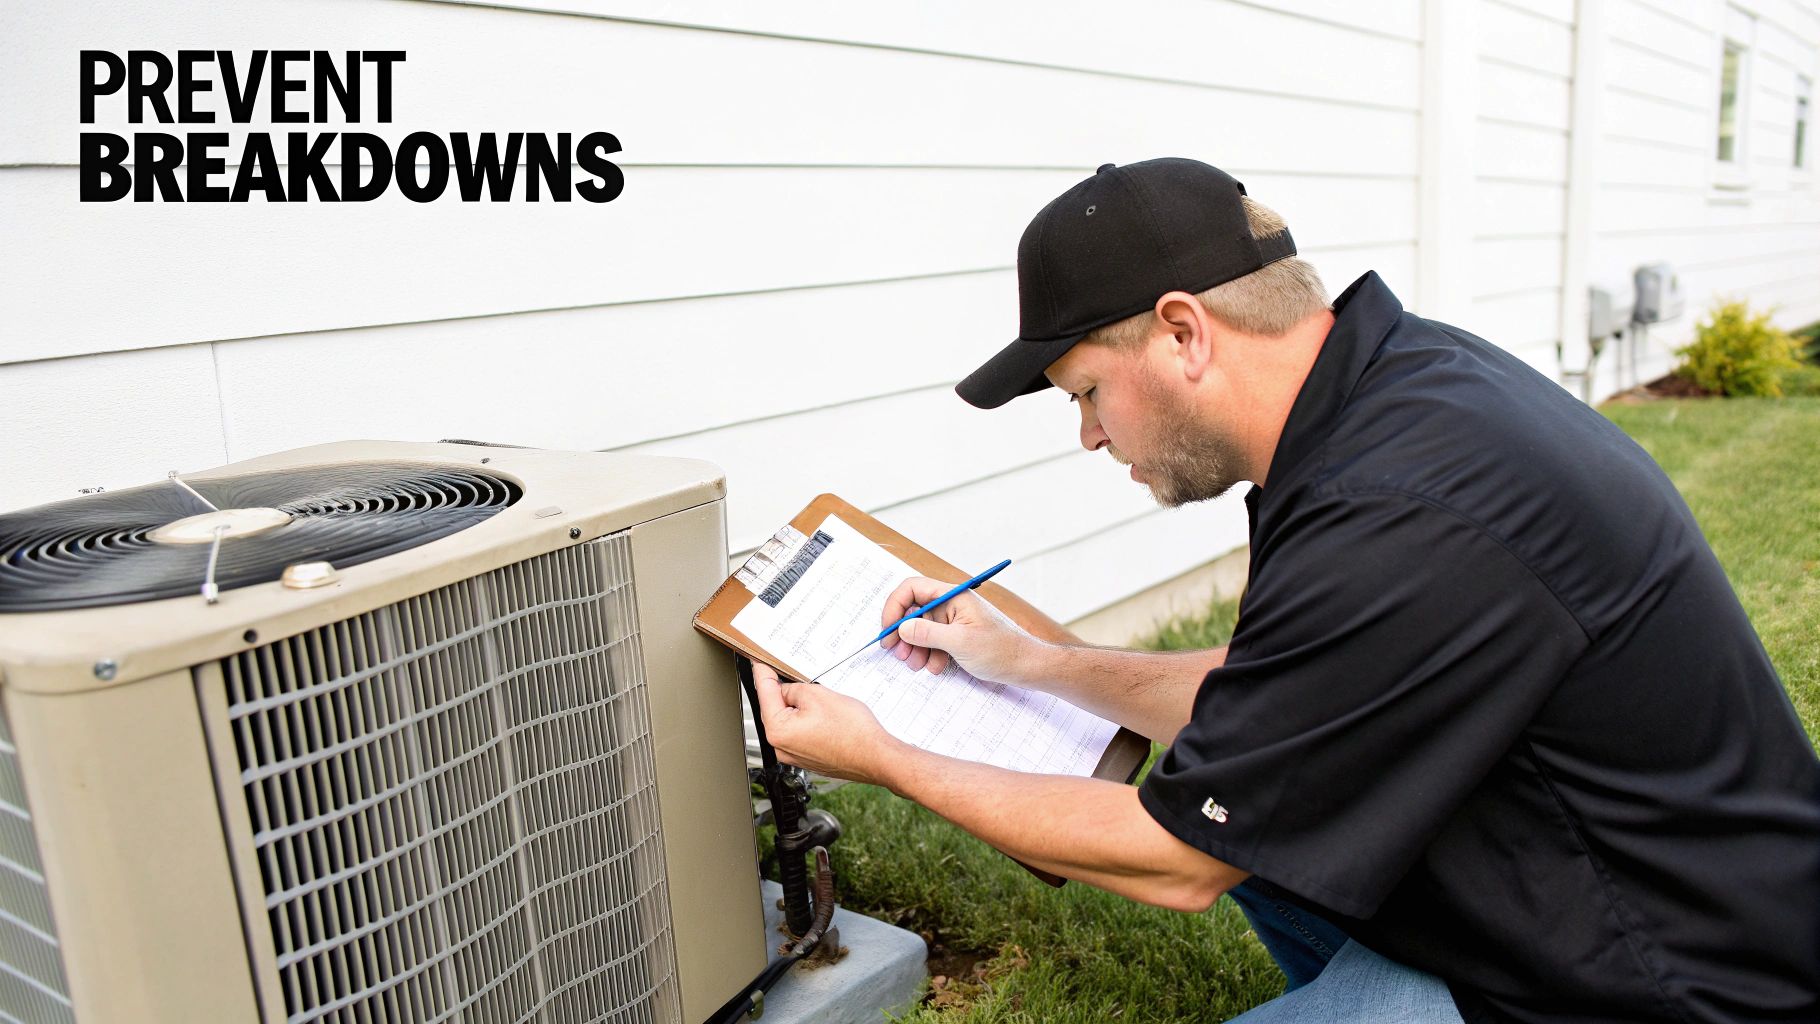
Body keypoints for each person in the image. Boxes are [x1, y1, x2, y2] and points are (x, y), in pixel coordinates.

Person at [747, 157, 1820, 1022]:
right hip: (1580, 890)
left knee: (1233, 833)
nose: (1086, 434)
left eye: (1083, 391)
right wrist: (1028, 661)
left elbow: (1178, 859)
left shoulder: (1400, 508)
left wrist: (878, 753)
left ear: (1180, 332)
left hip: (1664, 983)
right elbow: (1278, 687)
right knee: (1267, 804)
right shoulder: (1381, 398)